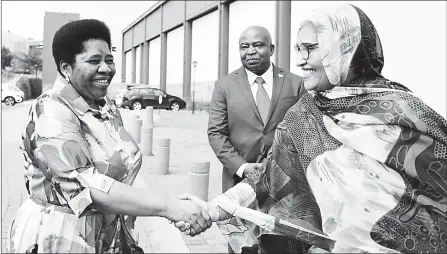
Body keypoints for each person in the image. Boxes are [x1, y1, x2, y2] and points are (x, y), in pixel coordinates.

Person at [181, 3, 447, 253]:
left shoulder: (405, 110)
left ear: (348, 47)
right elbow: (269, 177)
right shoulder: (306, 113)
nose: (301, 60)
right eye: (298, 49)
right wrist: (216, 208)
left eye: (311, 48)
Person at [6, 19, 211, 253]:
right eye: (94, 61)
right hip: (63, 235)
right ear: (65, 68)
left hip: (110, 233)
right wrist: (167, 206)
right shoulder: (50, 110)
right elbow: (85, 186)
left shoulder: (106, 106)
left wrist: (175, 208)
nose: (106, 68)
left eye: (109, 59)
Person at [207, 25, 307, 252]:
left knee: (282, 247)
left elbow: (305, 132)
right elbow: (216, 133)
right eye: (245, 46)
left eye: (258, 45)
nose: (250, 51)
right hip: (239, 185)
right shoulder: (224, 86)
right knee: (244, 247)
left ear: (271, 49)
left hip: (285, 188)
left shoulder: (295, 83)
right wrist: (242, 168)